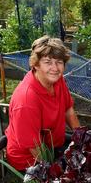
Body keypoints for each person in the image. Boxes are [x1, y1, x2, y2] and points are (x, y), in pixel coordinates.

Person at [5, 36, 80, 171]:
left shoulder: (57, 80)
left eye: (59, 62)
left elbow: (68, 109)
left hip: (52, 145)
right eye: (47, 62)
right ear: (36, 64)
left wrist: (82, 139)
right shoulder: (26, 99)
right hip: (29, 160)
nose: (55, 68)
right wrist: (52, 172)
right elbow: (33, 147)